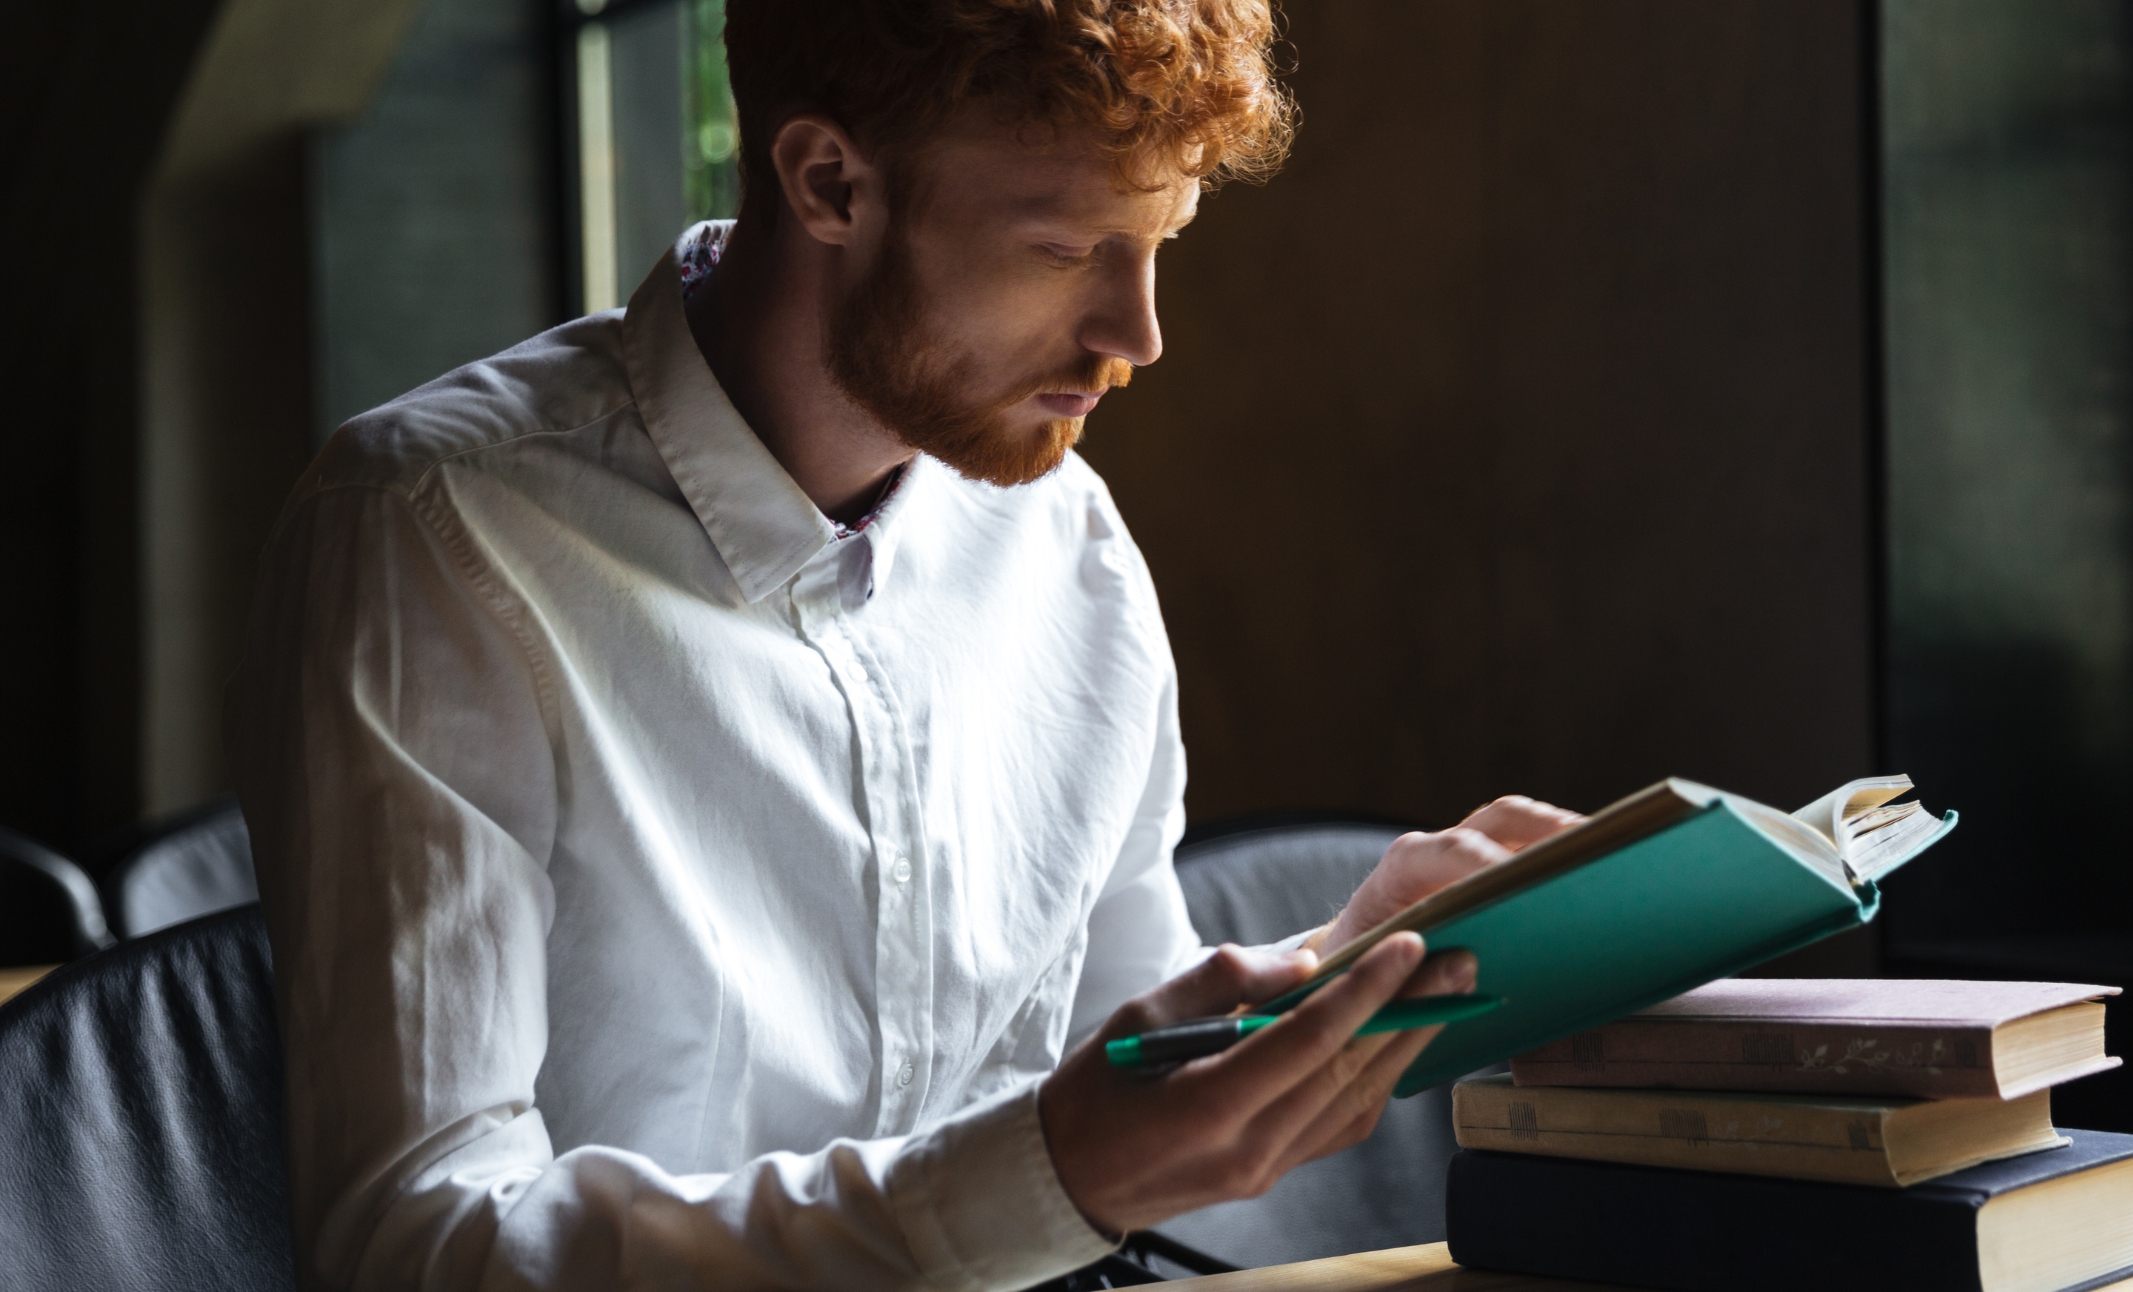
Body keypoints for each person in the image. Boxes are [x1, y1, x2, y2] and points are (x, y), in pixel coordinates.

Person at [227, 1, 1581, 1288]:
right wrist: (1032, 1180)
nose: (1139, 335)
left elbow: (1123, 1065)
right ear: (827, 184)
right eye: (1064, 250)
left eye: (1163, 239)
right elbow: (415, 1243)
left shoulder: (1071, 545)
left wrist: (1347, 971)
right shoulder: (432, 532)